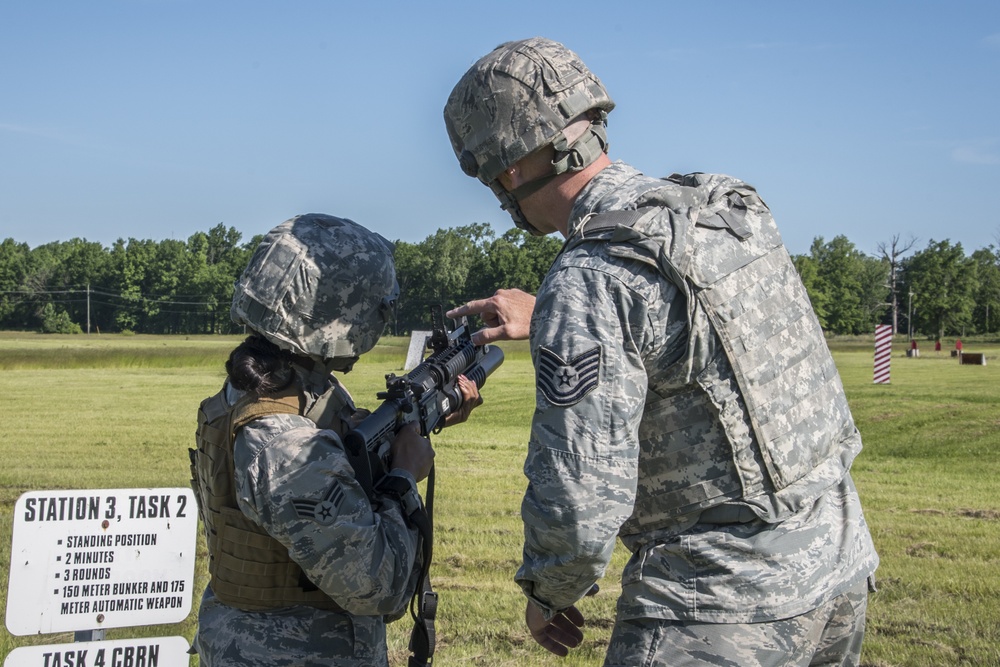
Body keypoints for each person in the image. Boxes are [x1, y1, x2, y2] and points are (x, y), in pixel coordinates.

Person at [443, 38, 879, 666]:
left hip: (718, 604)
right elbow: (703, 341)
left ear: (506, 168)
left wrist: (548, 588)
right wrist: (554, 319)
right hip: (835, 566)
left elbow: (580, 493)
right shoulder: (722, 207)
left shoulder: (593, 275)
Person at [189, 213, 481, 666]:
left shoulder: (278, 390)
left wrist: (414, 426)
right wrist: (404, 475)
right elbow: (376, 586)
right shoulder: (283, 443)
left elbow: (342, 457)